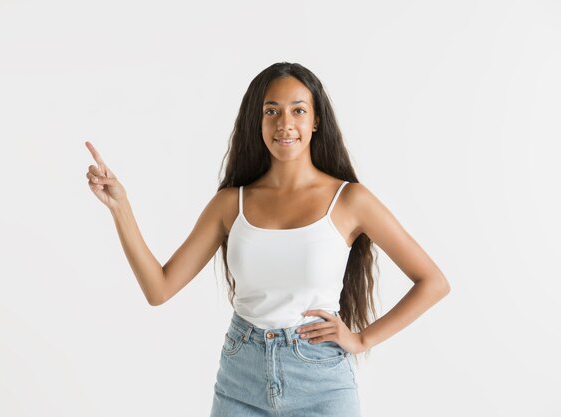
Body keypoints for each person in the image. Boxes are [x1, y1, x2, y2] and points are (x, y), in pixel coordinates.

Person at [84, 62, 451, 416]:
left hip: (320, 381)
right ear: (257, 121)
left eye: (298, 110)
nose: (285, 124)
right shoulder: (231, 203)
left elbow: (433, 282)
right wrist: (121, 207)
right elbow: (158, 289)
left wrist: (361, 339)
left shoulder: (351, 200)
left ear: (316, 120)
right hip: (240, 379)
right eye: (271, 111)